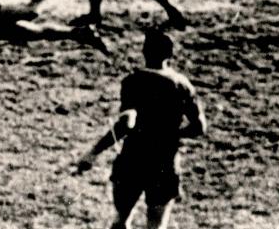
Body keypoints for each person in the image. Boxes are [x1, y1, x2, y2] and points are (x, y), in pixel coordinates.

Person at [73, 30, 206, 229]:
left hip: (133, 158)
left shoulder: (133, 81)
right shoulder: (182, 85)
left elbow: (126, 123)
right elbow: (199, 127)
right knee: (156, 226)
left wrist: (93, 153)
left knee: (120, 221)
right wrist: (170, 134)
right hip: (165, 160)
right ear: (170, 54)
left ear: (144, 51)